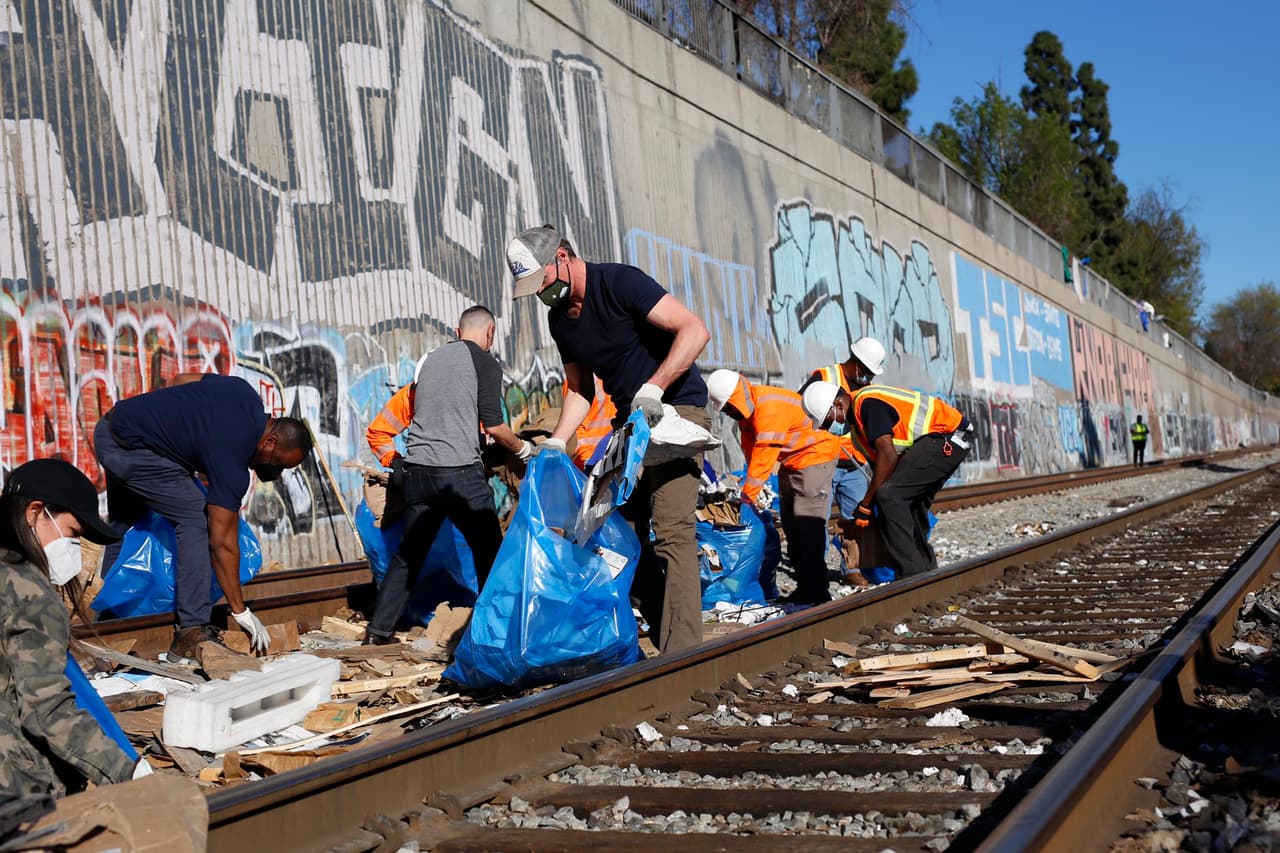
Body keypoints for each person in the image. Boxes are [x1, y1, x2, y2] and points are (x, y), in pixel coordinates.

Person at [506, 225, 711, 654]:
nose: (541, 295)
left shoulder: (620, 283)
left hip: (676, 412)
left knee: (673, 530)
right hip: (631, 425)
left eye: (542, 282)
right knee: (618, 531)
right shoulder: (560, 321)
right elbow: (581, 389)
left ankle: (683, 653)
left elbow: (694, 330)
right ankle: (652, 634)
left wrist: (654, 387)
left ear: (562, 257)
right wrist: (558, 441)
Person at [94, 374, 313, 662]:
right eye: (276, 463)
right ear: (270, 442)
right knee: (196, 518)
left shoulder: (241, 391)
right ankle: (190, 630)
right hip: (132, 450)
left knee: (127, 523)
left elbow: (180, 380)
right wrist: (240, 610)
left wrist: (176, 431)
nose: (271, 470)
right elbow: (222, 543)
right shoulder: (232, 463)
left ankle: (110, 618)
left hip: (113, 427)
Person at [362, 306, 534, 645]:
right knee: (489, 552)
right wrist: (523, 450)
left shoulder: (428, 360)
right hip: (459, 475)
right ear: (491, 332)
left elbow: (412, 414)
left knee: (408, 556)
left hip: (419, 475)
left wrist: (395, 461)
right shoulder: (485, 363)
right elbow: (496, 426)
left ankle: (377, 633)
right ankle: (495, 635)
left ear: (458, 330)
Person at [0, 459, 151, 796]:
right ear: (35, 512)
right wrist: (128, 771)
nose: (75, 550)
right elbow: (47, 711)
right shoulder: (29, 593)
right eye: (73, 534)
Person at [802, 379, 972, 579]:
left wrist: (866, 504)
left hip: (949, 436)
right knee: (907, 501)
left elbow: (888, 457)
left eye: (827, 422)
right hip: (940, 440)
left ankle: (911, 575)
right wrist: (866, 508)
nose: (828, 428)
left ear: (838, 405)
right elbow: (883, 474)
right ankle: (926, 571)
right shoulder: (858, 432)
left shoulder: (867, 404)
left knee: (891, 497)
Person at [707, 370, 841, 606]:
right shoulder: (748, 416)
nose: (729, 413)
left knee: (807, 525)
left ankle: (817, 591)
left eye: (729, 408)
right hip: (793, 461)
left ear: (737, 399)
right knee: (791, 525)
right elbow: (752, 452)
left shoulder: (768, 408)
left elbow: (764, 454)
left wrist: (749, 495)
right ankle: (805, 587)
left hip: (815, 457)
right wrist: (748, 486)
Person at [807, 337, 886, 585]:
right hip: (824, 462)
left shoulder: (866, 388)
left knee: (858, 519)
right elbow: (803, 409)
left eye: (872, 373)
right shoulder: (826, 376)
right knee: (816, 520)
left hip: (855, 464)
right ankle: (815, 572)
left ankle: (852, 568)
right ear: (854, 361)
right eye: (865, 371)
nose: (867, 377)